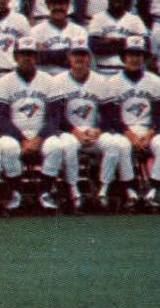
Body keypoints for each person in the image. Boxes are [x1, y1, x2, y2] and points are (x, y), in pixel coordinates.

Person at [0, 38, 63, 216]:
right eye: (23, 54)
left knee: (56, 146)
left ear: (37, 57)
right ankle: (16, 192)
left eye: (31, 54)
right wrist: (21, 139)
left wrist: (39, 138)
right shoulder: (4, 81)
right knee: (8, 147)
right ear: (15, 57)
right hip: (15, 134)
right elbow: (0, 117)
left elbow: (55, 116)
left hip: (40, 134)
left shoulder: (49, 81)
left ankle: (45, 192)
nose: (27, 58)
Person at [104, 36, 160, 212]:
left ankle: (152, 192)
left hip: (147, 131)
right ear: (124, 57)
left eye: (138, 54)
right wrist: (129, 134)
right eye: (131, 54)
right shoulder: (113, 82)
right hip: (124, 131)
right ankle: (131, 193)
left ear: (144, 58)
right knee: (121, 146)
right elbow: (112, 115)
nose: (135, 58)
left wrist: (150, 133)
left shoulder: (155, 81)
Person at [50, 37, 120, 213]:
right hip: (68, 132)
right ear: (69, 57)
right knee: (68, 146)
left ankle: (103, 191)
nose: (79, 58)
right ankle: (75, 193)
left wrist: (98, 130)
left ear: (89, 57)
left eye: (83, 54)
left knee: (113, 145)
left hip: (93, 131)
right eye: (75, 54)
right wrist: (75, 132)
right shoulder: (58, 80)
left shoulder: (101, 81)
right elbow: (56, 115)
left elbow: (109, 113)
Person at [86, 0, 148, 76]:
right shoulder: (97, 19)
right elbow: (95, 47)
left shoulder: (135, 20)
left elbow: (146, 46)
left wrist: (113, 42)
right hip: (103, 73)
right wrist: (129, 42)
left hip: (128, 73)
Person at [29, 0, 87, 77]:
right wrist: (67, 54)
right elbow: (34, 59)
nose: (58, 7)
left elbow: (81, 60)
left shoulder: (79, 31)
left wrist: (46, 54)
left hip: (70, 79)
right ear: (48, 5)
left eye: (61, 3)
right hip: (45, 79)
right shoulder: (35, 31)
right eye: (54, 3)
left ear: (68, 5)